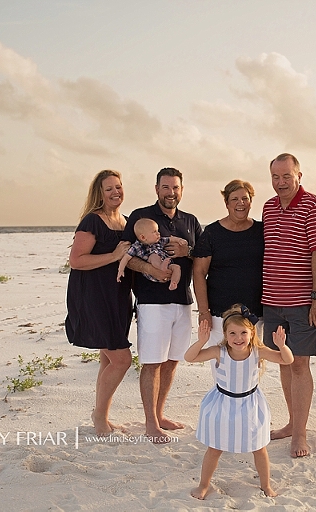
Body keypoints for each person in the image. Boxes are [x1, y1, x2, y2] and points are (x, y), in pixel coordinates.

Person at [122, 167, 202, 443]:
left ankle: (159, 414)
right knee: (152, 362)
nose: (171, 193)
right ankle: (150, 423)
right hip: (152, 303)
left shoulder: (190, 221)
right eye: (166, 187)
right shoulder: (140, 217)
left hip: (182, 302)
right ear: (157, 189)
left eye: (176, 188)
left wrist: (187, 251)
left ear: (182, 189)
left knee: (171, 361)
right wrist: (152, 270)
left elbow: (203, 259)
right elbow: (126, 253)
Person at [262, 153, 316, 457]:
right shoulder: (267, 207)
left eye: (286, 176)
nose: (281, 183)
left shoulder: (314, 207)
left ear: (299, 176)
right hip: (271, 301)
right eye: (276, 177)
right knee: (283, 361)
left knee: (300, 365)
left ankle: (300, 435)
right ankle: (292, 423)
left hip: (302, 302)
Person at [185, 305, 293, 499]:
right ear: (225, 334)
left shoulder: (258, 352)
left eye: (243, 332)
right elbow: (189, 357)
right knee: (215, 448)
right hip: (223, 404)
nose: (238, 338)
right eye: (232, 333)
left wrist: (282, 346)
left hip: (250, 405)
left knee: (258, 448)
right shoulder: (219, 352)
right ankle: (203, 485)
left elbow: (287, 360)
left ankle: (266, 485)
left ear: (252, 333)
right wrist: (201, 341)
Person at [65, 169, 134, 436]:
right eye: (109, 189)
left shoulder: (125, 221)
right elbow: (76, 260)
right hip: (93, 296)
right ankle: (98, 418)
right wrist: (114, 255)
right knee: (121, 360)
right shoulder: (92, 221)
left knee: (108, 359)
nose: (116, 192)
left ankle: (102, 416)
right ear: (99, 193)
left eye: (119, 186)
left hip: (118, 297)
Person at [193, 179, 264, 347]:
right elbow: (199, 273)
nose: (241, 203)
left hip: (255, 314)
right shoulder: (211, 233)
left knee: (252, 368)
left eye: (245, 199)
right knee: (221, 366)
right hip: (220, 316)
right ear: (226, 203)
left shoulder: (262, 231)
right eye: (235, 199)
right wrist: (204, 312)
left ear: (251, 202)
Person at [116, 218, 185, 291]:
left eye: (158, 231)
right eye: (154, 232)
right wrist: (120, 270)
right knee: (153, 256)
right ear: (143, 237)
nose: (158, 233)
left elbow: (170, 239)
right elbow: (126, 258)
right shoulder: (137, 246)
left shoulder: (159, 241)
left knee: (176, 267)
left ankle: (174, 282)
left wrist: (180, 240)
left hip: (166, 267)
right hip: (153, 271)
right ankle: (161, 267)